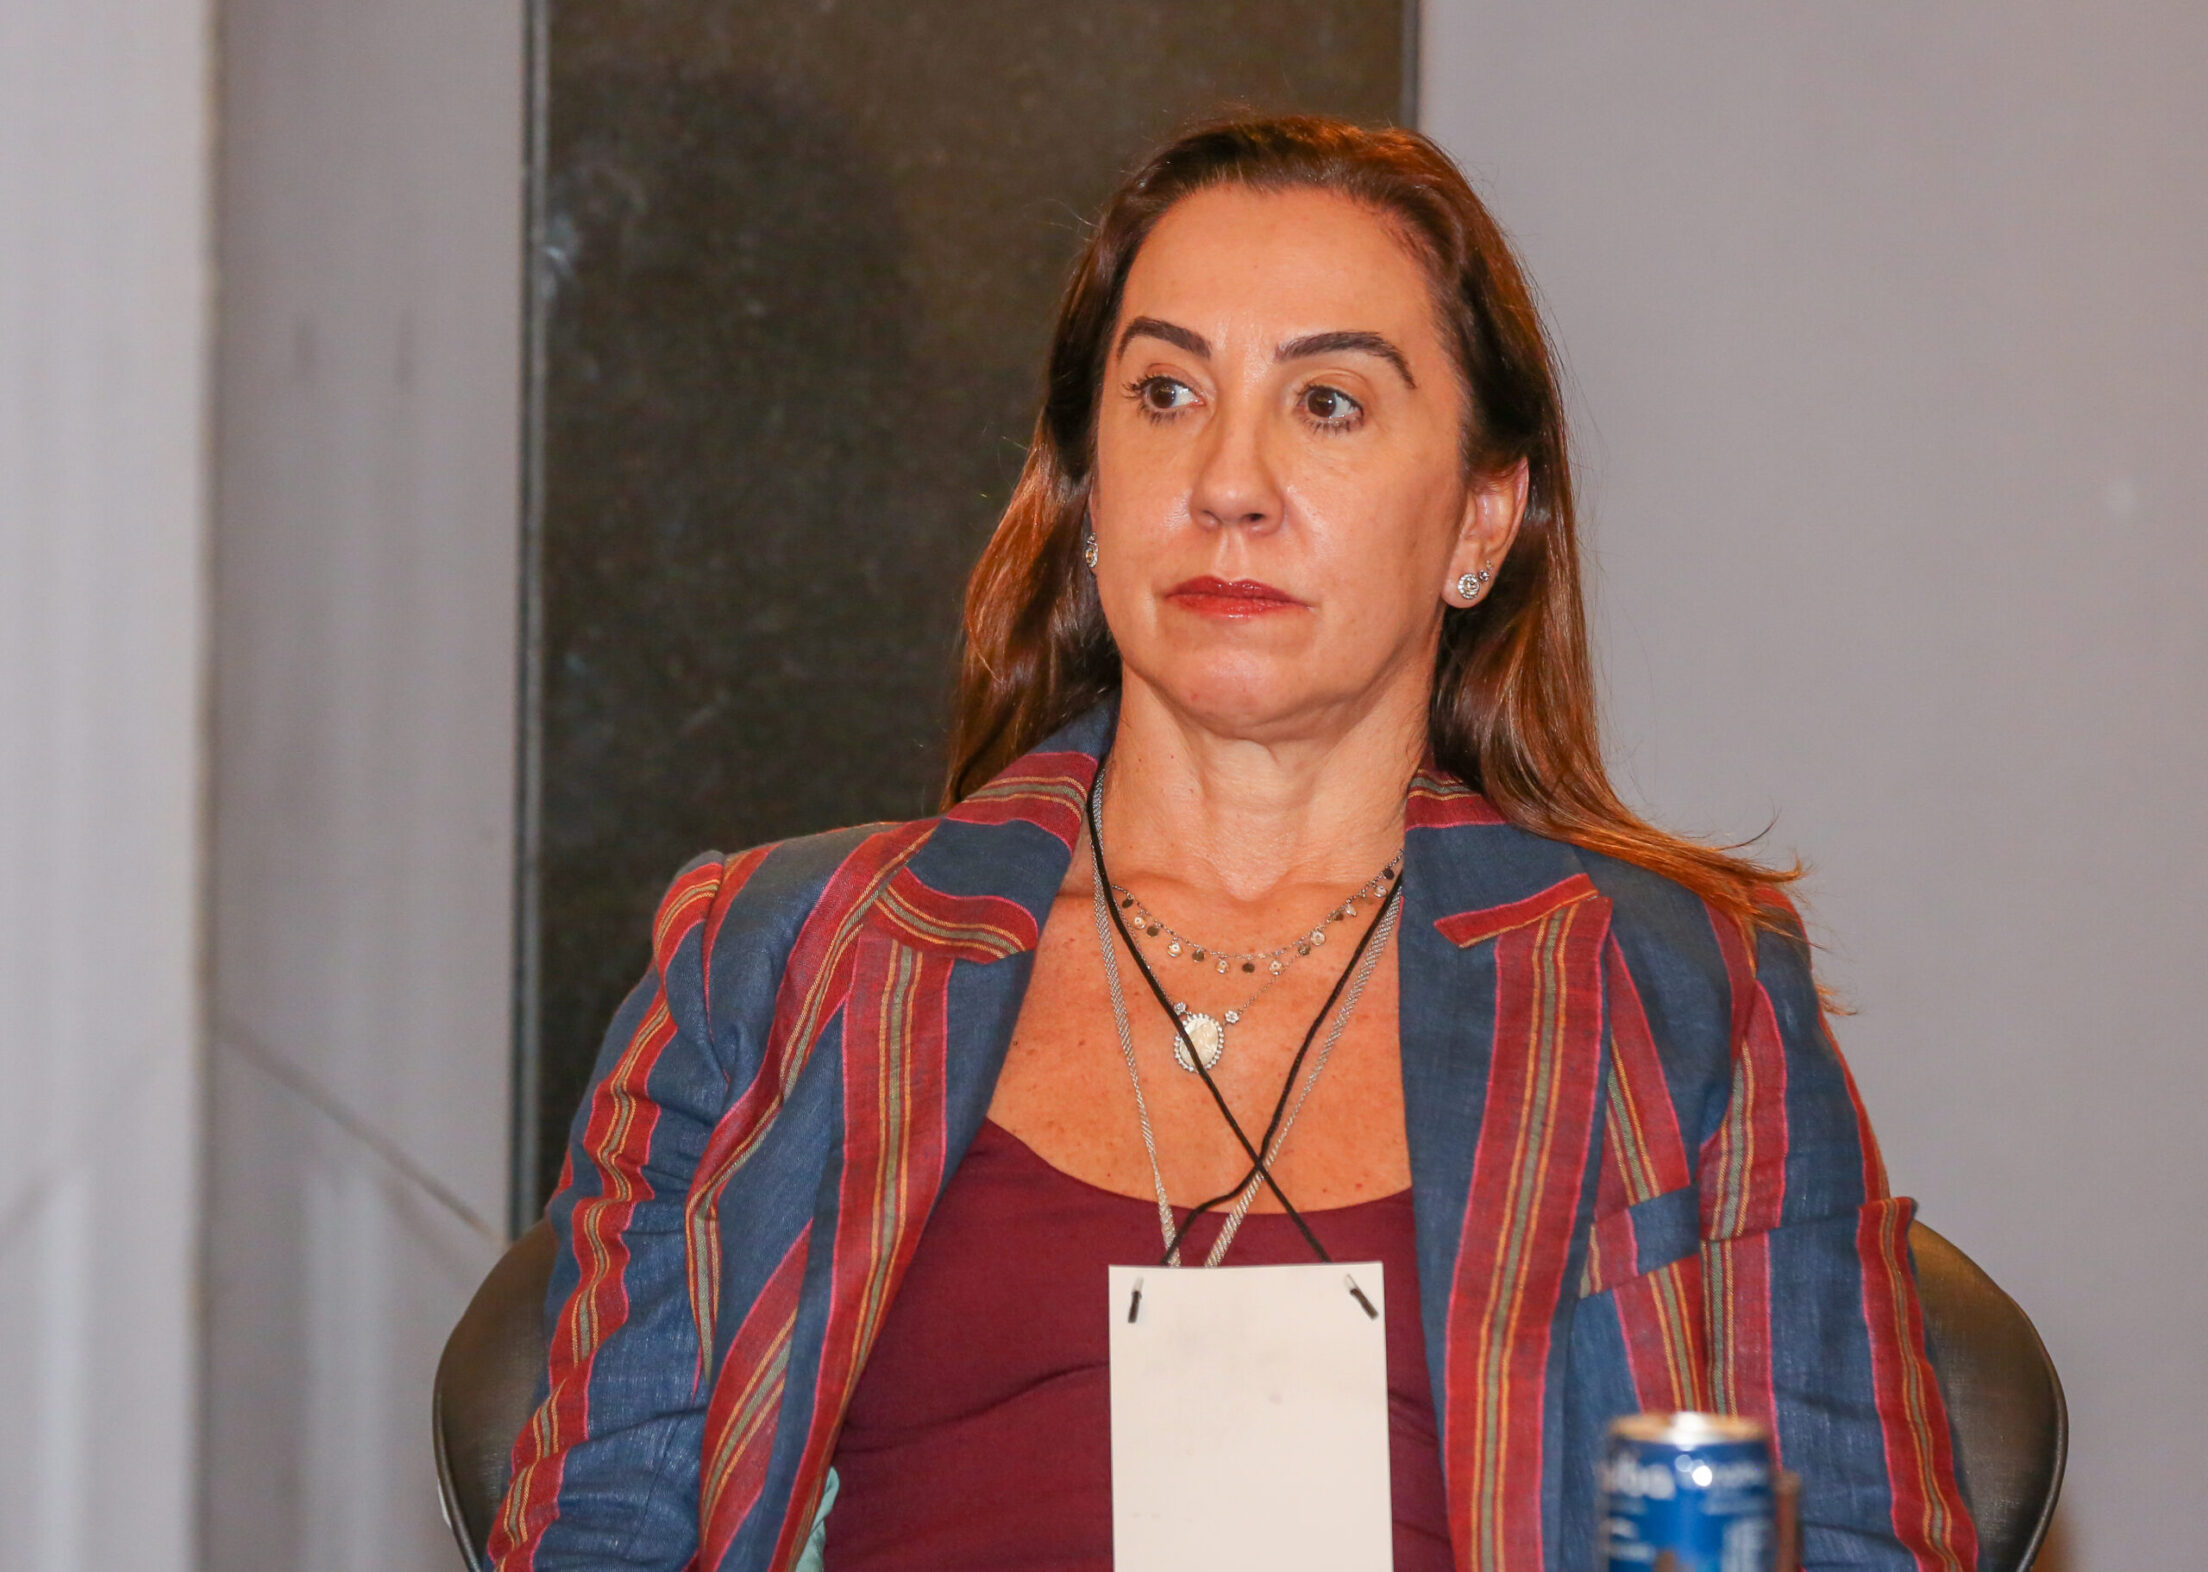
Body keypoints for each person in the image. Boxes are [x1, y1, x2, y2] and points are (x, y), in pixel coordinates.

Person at [488, 116, 1976, 1572]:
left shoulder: (1681, 1000)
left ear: (1482, 519)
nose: (1228, 482)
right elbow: (600, 1534)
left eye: (1328, 403)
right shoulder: (772, 966)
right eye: (1165, 394)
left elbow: (1852, 1538)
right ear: (1088, 495)